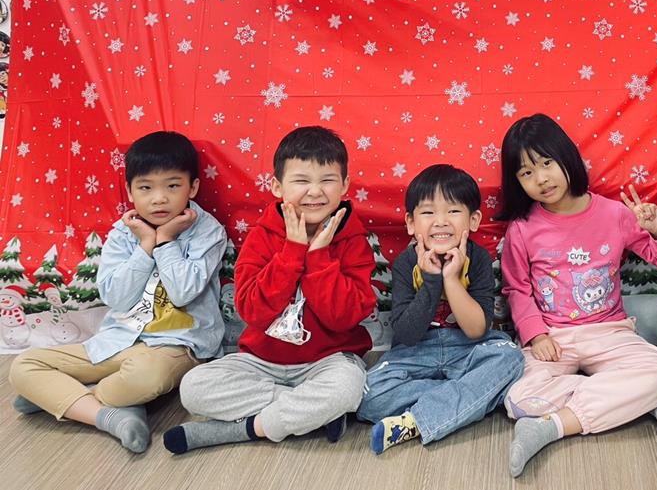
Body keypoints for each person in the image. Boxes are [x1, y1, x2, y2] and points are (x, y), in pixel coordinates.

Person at [10, 131, 226, 452]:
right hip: (117, 340)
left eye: (172, 186)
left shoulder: (208, 232)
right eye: (146, 188)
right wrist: (145, 246)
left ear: (192, 187)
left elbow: (183, 293)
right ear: (130, 191)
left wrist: (165, 241)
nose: (159, 198)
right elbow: (116, 299)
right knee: (24, 366)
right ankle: (111, 415)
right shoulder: (124, 233)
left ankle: (68, 400)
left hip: (176, 347)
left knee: (145, 376)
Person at [164, 126, 375, 453]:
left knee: (347, 387)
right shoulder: (261, 237)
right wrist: (293, 252)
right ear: (277, 186)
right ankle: (311, 414)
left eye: (328, 180)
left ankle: (247, 429)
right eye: (301, 181)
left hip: (328, 361)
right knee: (193, 387)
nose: (315, 191)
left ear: (345, 185)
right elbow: (252, 311)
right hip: (261, 363)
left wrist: (319, 256)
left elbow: (343, 318)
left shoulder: (354, 241)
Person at [497, 114, 657, 477]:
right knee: (516, 398)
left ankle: (551, 427)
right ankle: (629, 401)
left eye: (546, 163)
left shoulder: (614, 214)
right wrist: (536, 334)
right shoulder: (522, 228)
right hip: (552, 339)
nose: (541, 179)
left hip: (609, 333)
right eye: (526, 173)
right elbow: (516, 288)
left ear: (566, 157)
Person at [356, 164, 523, 453]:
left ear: (473, 220)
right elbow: (407, 334)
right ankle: (473, 396)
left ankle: (414, 421)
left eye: (453, 211)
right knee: (369, 396)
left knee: (510, 357)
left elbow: (476, 330)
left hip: (467, 349)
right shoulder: (406, 263)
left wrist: (451, 280)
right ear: (411, 223)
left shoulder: (478, 259)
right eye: (428, 212)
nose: (441, 222)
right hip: (416, 351)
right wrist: (432, 280)